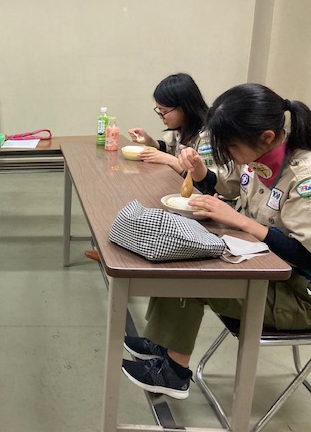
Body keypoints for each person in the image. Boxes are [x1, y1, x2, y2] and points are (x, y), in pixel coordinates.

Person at [121, 83, 311, 399]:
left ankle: (174, 373)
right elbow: (227, 186)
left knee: (195, 279)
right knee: (180, 255)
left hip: (298, 296)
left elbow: (306, 256)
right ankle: (163, 344)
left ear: (266, 137)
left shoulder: (303, 177)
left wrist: (240, 221)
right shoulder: (260, 152)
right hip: (262, 268)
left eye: (230, 147)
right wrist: (199, 172)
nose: (229, 155)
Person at [86, 73, 211, 263]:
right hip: (181, 195)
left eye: (164, 111)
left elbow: (207, 183)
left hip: (200, 206)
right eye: (158, 111)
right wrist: (151, 142)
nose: (161, 116)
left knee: (145, 208)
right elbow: (171, 148)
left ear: (184, 106)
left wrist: (170, 161)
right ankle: (115, 249)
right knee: (134, 200)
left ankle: (118, 255)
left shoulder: (206, 137)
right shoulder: (183, 129)